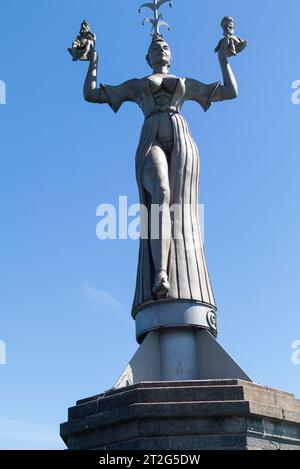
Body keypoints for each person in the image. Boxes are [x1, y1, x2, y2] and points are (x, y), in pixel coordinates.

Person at [82, 32, 239, 316]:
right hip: (151, 136)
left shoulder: (186, 83)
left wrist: (223, 58)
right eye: (155, 48)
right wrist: (93, 60)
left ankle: (181, 271)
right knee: (161, 195)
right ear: (148, 57)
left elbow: (229, 91)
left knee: (182, 209)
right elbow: (92, 94)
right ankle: (161, 273)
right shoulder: (138, 85)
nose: (161, 50)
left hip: (182, 139)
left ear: (171, 54)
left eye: (165, 46)